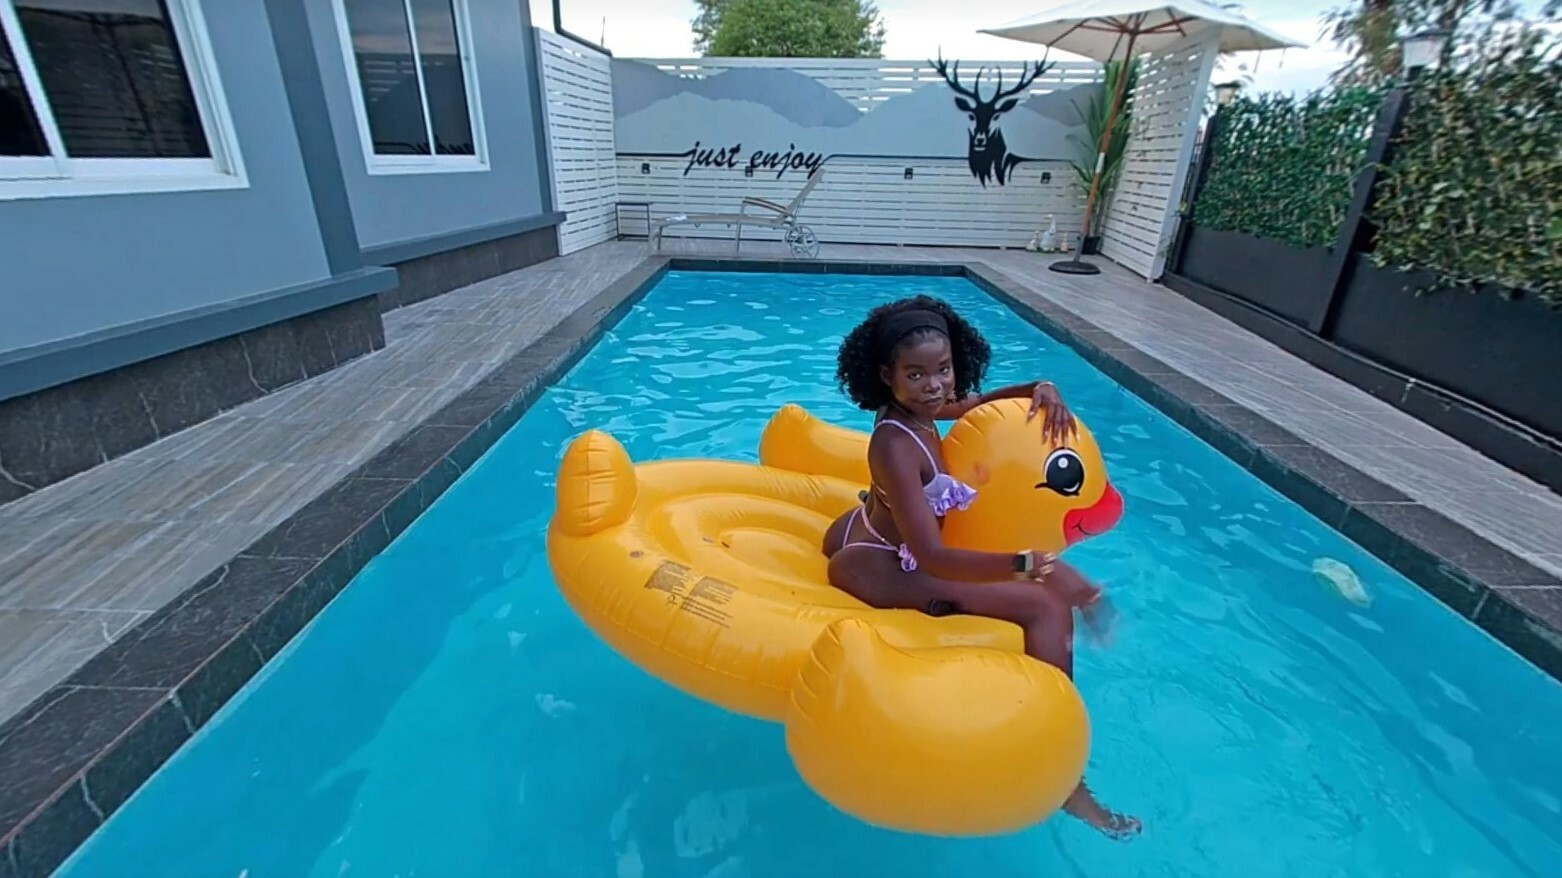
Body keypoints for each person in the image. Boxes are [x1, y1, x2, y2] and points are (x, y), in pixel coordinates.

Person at [820, 294, 1140, 840]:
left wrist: (1040, 387)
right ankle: (1066, 780)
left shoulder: (920, 411)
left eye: (943, 369)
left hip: (864, 525)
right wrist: (1028, 566)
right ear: (886, 377)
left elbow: (975, 403)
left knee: (1047, 581)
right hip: (881, 563)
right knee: (1043, 605)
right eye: (916, 374)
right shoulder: (896, 445)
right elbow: (931, 556)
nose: (935, 386)